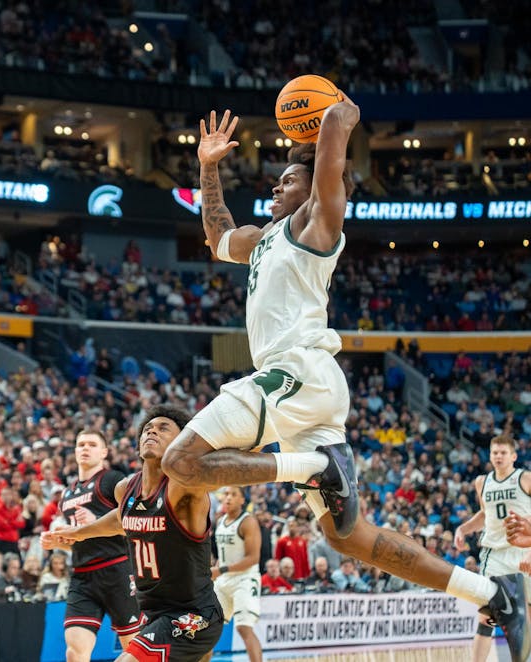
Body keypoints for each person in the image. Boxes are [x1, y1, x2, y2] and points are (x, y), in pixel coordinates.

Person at [157, 105, 528, 660]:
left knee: (180, 462)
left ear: (314, 190)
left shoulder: (318, 224)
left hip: (296, 374)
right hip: (305, 391)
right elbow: (217, 236)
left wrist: (335, 114)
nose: (276, 186)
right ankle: (496, 594)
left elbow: (331, 156)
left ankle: (313, 467)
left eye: (288, 179)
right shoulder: (263, 238)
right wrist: (208, 167)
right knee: (347, 536)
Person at [44, 406, 223, 662]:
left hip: (191, 612)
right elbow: (120, 519)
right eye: (148, 429)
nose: (152, 431)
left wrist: (284, 466)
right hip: (153, 611)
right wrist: (77, 533)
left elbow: (219, 475)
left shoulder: (184, 486)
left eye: (163, 428)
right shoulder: (125, 488)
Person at [50, 430, 140, 660]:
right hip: (82, 576)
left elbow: (133, 523)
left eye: (91, 444)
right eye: (80, 444)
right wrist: (59, 541)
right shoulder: (68, 493)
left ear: (104, 452)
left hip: (117, 569)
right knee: (75, 650)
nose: (85, 448)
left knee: (135, 649)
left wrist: (96, 523)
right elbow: (79, 540)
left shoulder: (113, 480)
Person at [454, 434, 531, 662]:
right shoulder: (482, 482)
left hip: (522, 551)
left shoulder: (525, 479)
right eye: (494, 452)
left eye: (503, 453)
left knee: (527, 614)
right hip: (494, 555)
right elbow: (486, 514)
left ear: (513, 456)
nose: (498, 456)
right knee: (486, 615)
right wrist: (464, 529)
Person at [213, 487, 263, 662]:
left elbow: (253, 558)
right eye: (226, 494)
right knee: (208, 630)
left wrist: (220, 570)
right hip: (223, 580)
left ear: (243, 500)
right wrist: (216, 570)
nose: (228, 498)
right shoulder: (220, 521)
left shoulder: (248, 522)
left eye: (234, 495)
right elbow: (223, 555)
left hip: (245, 579)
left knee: (243, 628)